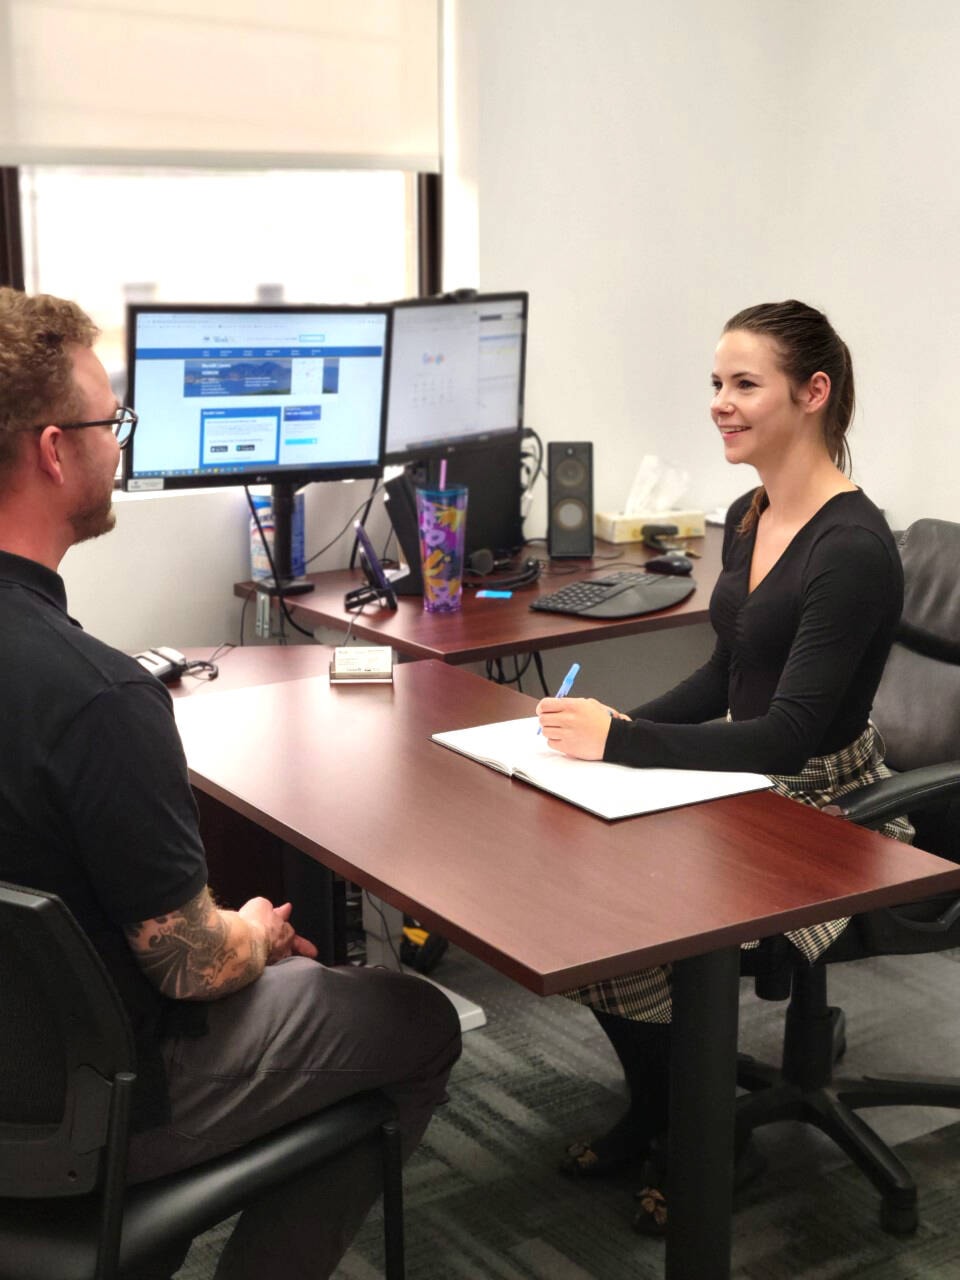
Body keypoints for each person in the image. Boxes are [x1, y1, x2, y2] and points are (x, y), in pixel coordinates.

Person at [0, 287, 462, 1278]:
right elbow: (192, 967)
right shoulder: (98, 697)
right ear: (53, 450)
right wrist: (252, 928)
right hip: (96, 1098)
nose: (120, 444)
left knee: (299, 986)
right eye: (112, 424)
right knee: (416, 1021)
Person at [536, 299, 912, 1235]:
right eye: (716, 383)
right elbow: (723, 675)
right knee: (575, 880)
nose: (720, 402)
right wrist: (614, 727)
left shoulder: (851, 547)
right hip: (751, 772)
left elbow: (787, 735)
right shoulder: (751, 513)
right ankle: (659, 1107)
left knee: (640, 904)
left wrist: (623, 743)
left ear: (812, 393)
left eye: (745, 384)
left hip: (829, 805)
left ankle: (707, 1142)